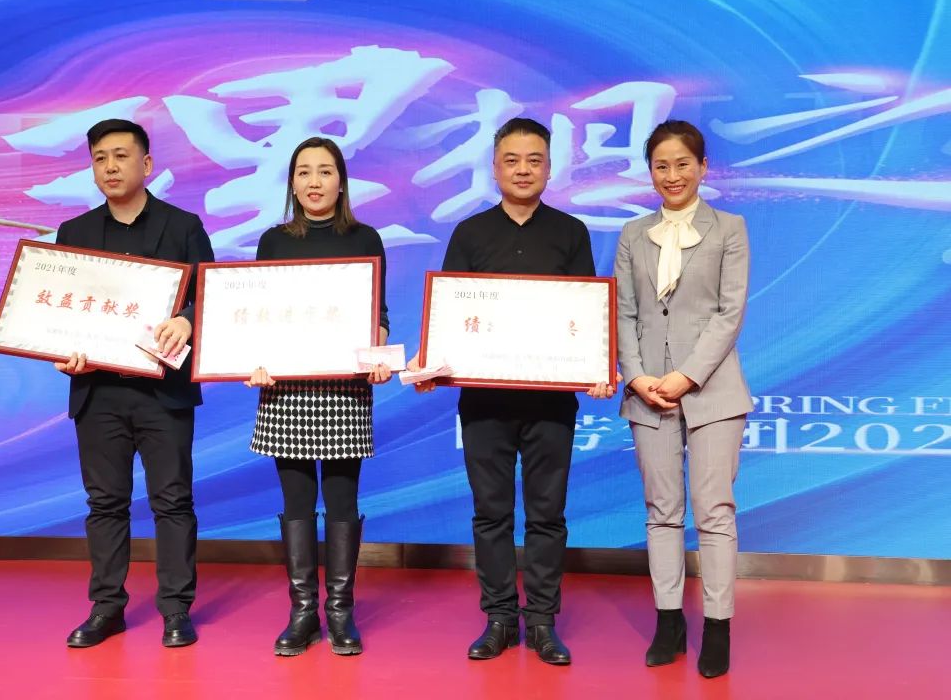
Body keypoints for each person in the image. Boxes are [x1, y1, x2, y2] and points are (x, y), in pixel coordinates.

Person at [410, 118, 615, 666]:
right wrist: (432, 364)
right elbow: (450, 318)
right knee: (490, 513)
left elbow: (584, 315)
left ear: (549, 167)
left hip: (552, 404)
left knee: (548, 514)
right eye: (512, 160)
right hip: (484, 405)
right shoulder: (470, 233)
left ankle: (543, 621)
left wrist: (595, 368)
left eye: (534, 160)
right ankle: (499, 618)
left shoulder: (570, 232)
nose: (523, 170)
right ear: (495, 167)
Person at [55, 119, 214, 649]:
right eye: (100, 158)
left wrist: (187, 319)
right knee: (105, 503)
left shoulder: (182, 226)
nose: (110, 166)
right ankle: (107, 607)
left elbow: (211, 296)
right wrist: (62, 349)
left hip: (163, 391)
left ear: (146, 164)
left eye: (121, 156)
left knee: (172, 501)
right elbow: (60, 314)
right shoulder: (74, 232)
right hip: (98, 390)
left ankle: (176, 609)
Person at [614, 119, 753, 678]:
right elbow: (623, 314)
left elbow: (729, 313)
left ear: (702, 167)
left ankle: (717, 627)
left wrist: (687, 376)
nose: (672, 175)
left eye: (682, 164)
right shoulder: (632, 234)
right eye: (661, 166)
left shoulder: (730, 229)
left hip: (714, 391)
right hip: (648, 393)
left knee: (714, 512)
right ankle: (668, 621)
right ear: (650, 171)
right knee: (661, 513)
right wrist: (636, 377)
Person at [245, 137, 391, 657]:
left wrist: (377, 352)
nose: (314, 181)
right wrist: (253, 360)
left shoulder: (365, 238)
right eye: (303, 171)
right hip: (286, 389)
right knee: (296, 501)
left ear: (341, 182)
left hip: (344, 387)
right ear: (291, 182)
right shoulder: (274, 241)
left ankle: (341, 612)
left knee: (343, 501)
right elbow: (258, 314)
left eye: (325, 171)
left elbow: (378, 314)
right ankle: (303, 613)